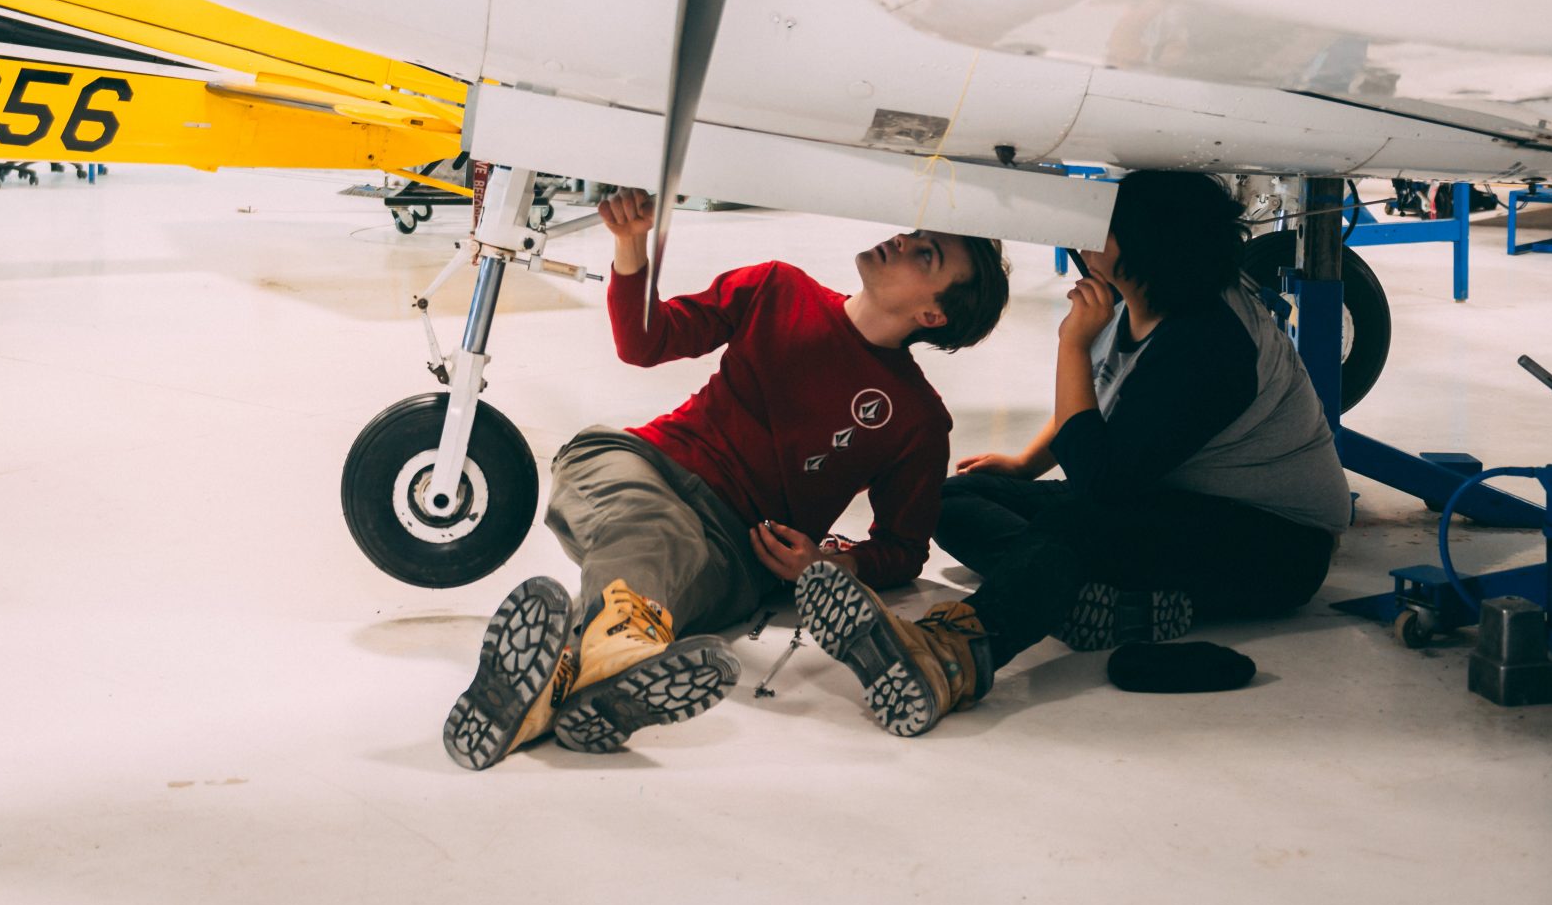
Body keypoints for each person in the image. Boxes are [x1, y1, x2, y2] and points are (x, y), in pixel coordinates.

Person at [441, 187, 1010, 769]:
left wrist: (832, 565)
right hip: (639, 464)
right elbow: (646, 341)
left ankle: (549, 692)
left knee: (672, 558)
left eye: (927, 256)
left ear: (932, 315)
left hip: (737, 551)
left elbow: (904, 547)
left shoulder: (916, 419)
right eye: (919, 233)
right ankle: (615, 655)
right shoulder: (778, 287)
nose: (905, 239)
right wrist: (631, 244)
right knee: (653, 529)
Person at [798, 169, 1351, 737]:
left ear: (1145, 248)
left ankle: (956, 654)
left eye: (1105, 223)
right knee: (952, 498)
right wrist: (1024, 466)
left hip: (1277, 548)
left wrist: (1071, 342)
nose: (1085, 228)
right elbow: (1104, 407)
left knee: (1079, 517)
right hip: (1173, 500)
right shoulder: (1142, 293)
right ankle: (1095, 604)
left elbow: (1099, 484)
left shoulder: (1208, 343)